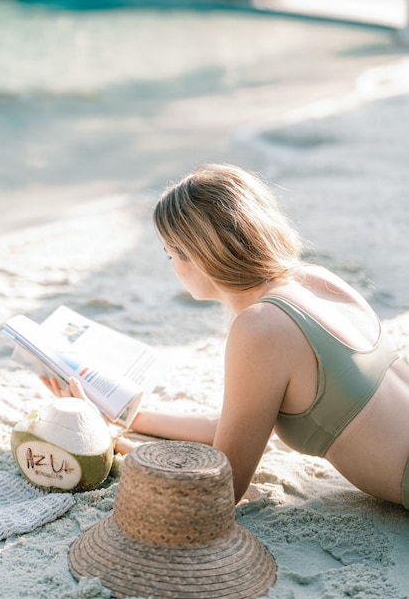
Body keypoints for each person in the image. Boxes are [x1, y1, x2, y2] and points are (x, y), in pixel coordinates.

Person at [45, 163, 409, 508]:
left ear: (198, 257)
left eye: (171, 255)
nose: (172, 266)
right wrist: (121, 416)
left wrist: (111, 442)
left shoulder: (260, 327)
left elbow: (223, 489)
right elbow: (233, 427)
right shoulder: (316, 281)